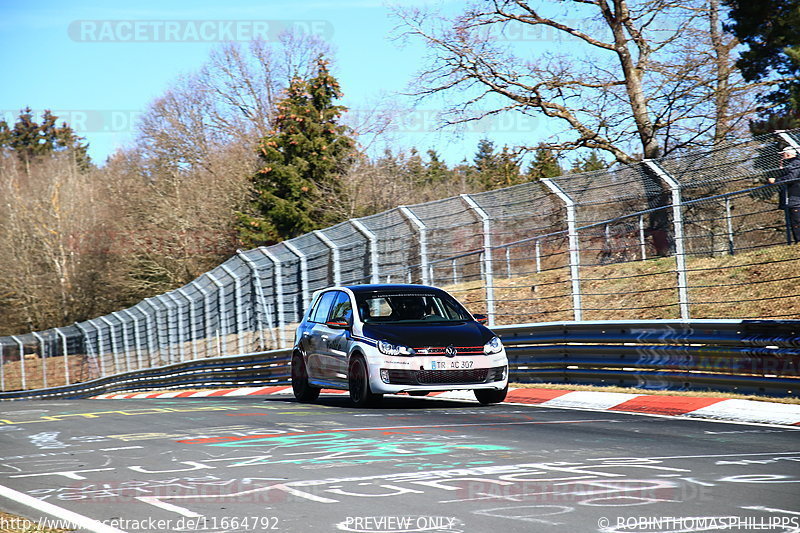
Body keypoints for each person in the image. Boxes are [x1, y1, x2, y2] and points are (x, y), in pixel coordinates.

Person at [769, 146, 800, 243]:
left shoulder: (795, 163)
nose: (782, 157)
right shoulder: (791, 164)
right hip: (792, 198)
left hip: (795, 197)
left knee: (796, 221)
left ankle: (798, 240)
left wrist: (777, 180)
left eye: (783, 155)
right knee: (794, 221)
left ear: (788, 154)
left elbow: (792, 177)